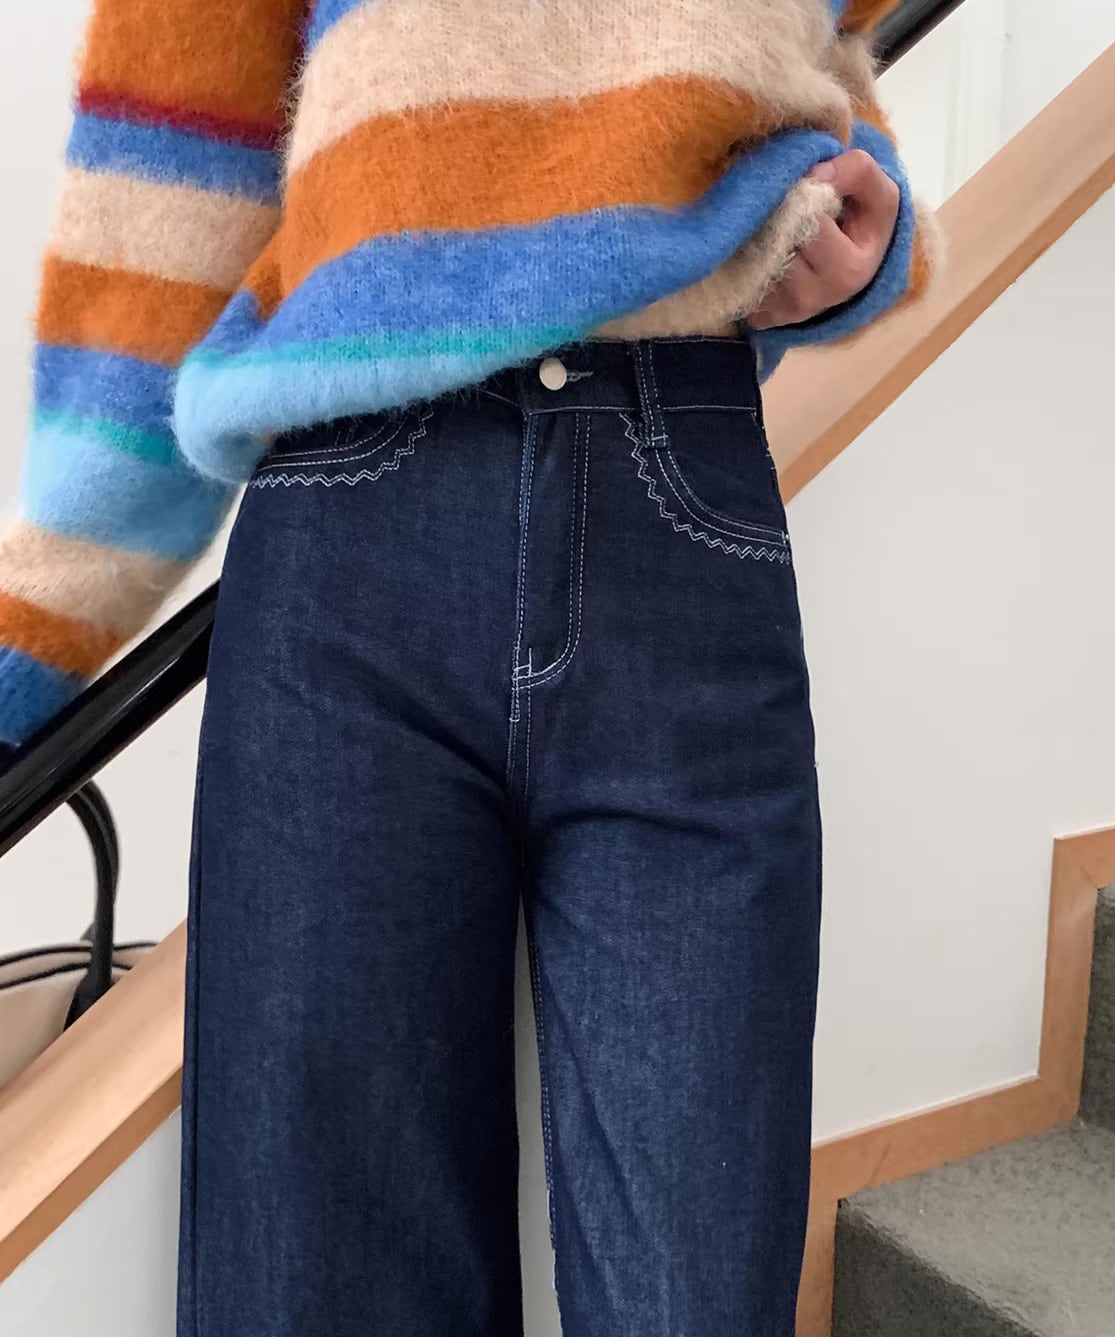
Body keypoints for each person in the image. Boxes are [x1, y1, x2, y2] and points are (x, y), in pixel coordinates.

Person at [0, 2, 939, 1333]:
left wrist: (861, 224)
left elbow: (807, 64)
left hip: (676, 493)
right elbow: (173, 171)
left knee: (698, 1288)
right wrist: (26, 654)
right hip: (356, 527)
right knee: (324, 1290)